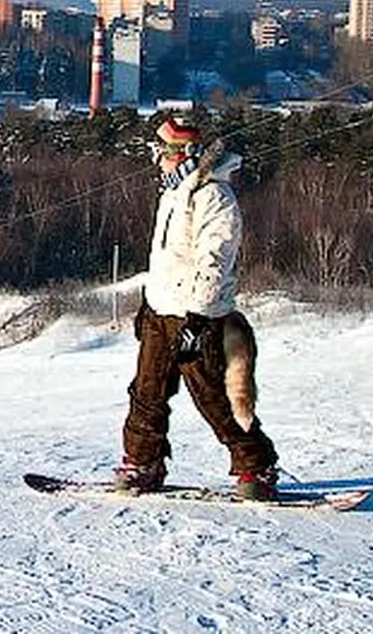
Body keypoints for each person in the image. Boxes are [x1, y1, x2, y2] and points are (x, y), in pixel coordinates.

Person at [117, 116, 281, 502]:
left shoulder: (214, 197)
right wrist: (148, 302)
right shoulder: (173, 193)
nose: (157, 159)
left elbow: (214, 260)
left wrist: (198, 317)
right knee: (147, 392)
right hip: (162, 311)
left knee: (214, 395)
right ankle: (143, 462)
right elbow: (167, 258)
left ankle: (256, 465)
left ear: (183, 154)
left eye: (162, 152)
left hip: (198, 316)